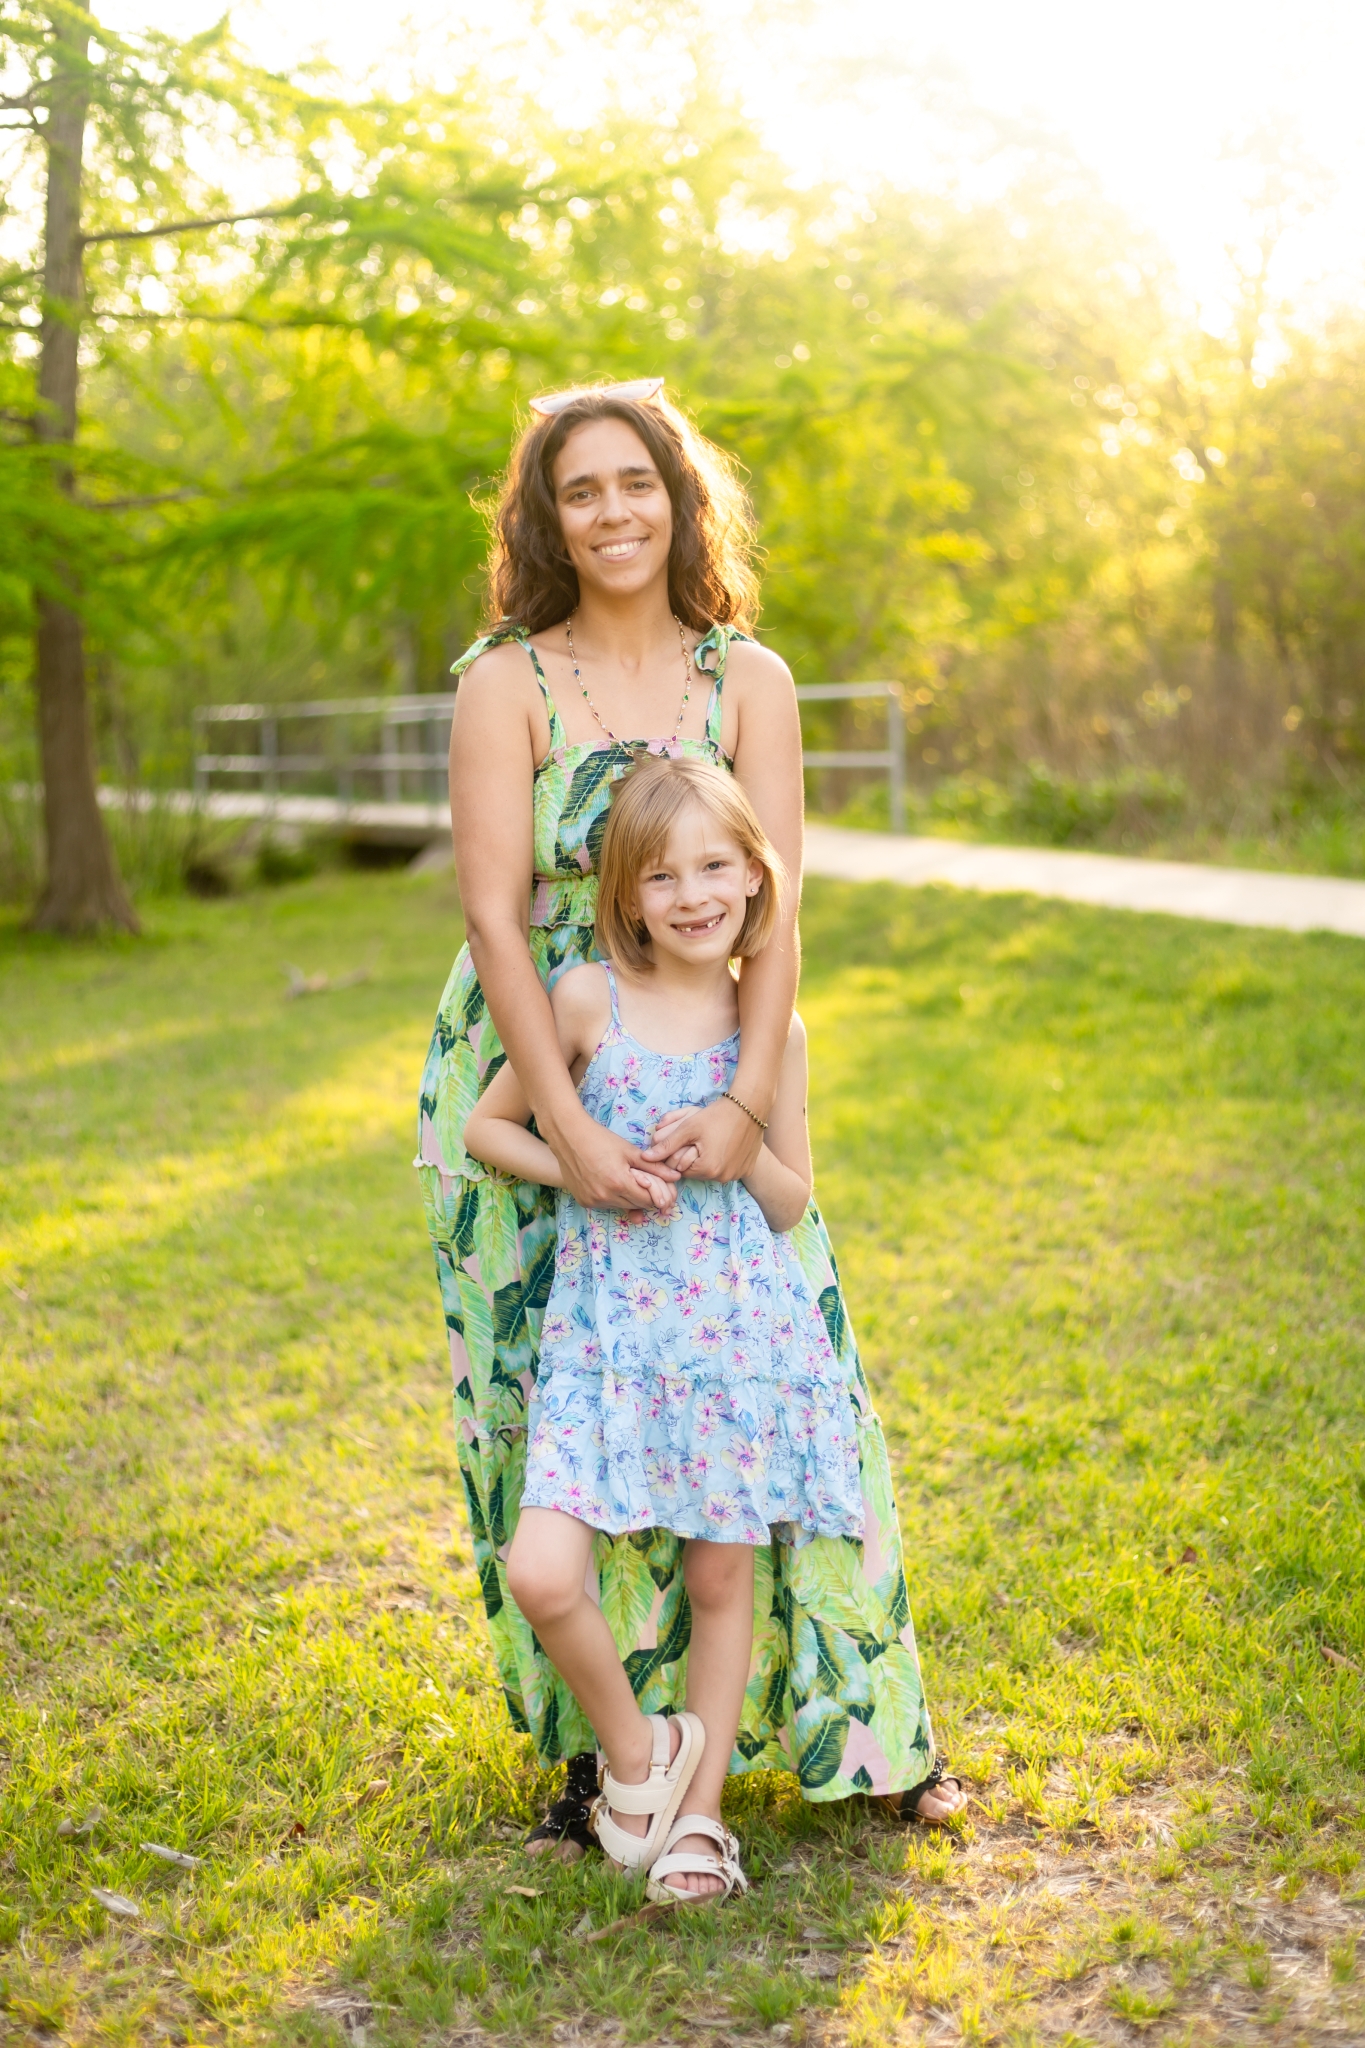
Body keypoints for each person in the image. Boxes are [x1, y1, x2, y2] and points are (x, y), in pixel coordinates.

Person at [414, 377, 965, 1862]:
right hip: (538, 1058)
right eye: (579, 490)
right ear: (546, 518)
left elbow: (778, 909)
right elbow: (492, 913)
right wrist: (572, 1136)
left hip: (716, 1059)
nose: (612, 513)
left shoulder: (749, 679)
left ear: (679, 498)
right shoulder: (504, 682)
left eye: (636, 482)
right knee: (559, 1408)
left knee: (778, 1377)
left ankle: (862, 1733)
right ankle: (607, 1754)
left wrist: (742, 1100)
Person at [464, 756, 866, 1900]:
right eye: (663, 875)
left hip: (731, 1342)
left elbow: (792, 1197)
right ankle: (642, 1751)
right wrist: (582, 1165)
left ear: (755, 875)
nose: (694, 893)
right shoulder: (587, 1000)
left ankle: (700, 1821)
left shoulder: (769, 1031)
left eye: (715, 865)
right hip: (605, 1346)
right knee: (544, 1573)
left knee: (720, 1579)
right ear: (627, 897)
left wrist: (729, 1143)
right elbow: (490, 1128)